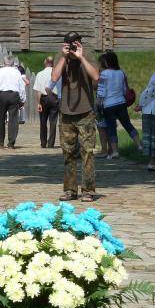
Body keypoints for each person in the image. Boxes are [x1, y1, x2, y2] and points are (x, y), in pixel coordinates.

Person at [51, 31, 100, 202]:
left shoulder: (88, 53)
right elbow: (54, 77)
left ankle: (88, 190)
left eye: (75, 43)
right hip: (66, 111)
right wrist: (64, 57)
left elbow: (96, 76)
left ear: (80, 43)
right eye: (69, 44)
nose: (72, 46)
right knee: (68, 152)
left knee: (88, 152)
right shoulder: (61, 55)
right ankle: (70, 189)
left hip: (85, 111)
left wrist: (81, 57)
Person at [96, 50, 143, 159]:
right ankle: (139, 145)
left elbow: (101, 91)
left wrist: (98, 102)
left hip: (108, 105)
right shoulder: (121, 73)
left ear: (106, 62)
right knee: (128, 125)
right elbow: (124, 89)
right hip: (121, 103)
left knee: (111, 128)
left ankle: (115, 152)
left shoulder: (104, 74)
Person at [0, 56, 26, 149]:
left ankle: (0, 142)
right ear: (13, 63)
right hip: (14, 95)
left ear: (4, 62)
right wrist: (22, 99)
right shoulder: (17, 72)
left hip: (2, 94)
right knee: (13, 119)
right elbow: (22, 87)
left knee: (1, 118)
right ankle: (11, 142)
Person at [33, 56, 60, 148]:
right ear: (53, 63)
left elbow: (38, 90)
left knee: (43, 121)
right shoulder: (57, 73)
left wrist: (38, 103)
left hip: (44, 98)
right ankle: (51, 143)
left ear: (45, 62)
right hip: (54, 98)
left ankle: (43, 142)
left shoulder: (40, 74)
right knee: (53, 121)